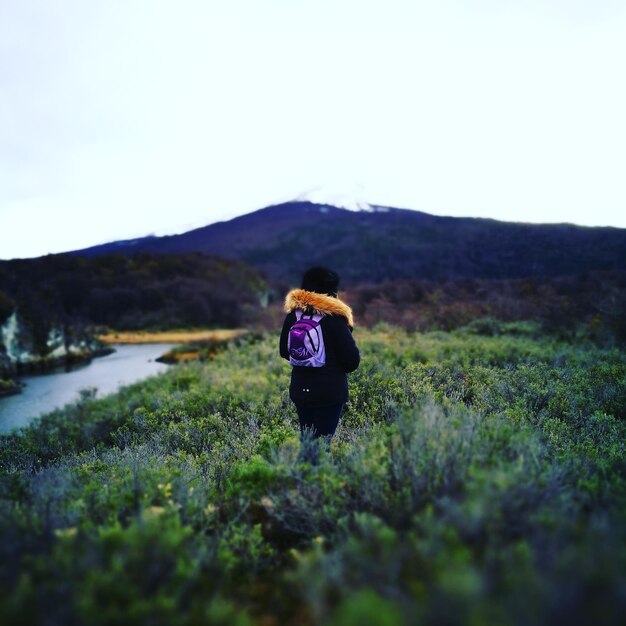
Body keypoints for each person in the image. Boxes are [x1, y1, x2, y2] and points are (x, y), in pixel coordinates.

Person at [279, 267, 360, 452]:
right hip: (329, 393)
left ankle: (301, 478)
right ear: (331, 291)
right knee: (321, 448)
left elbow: (284, 352)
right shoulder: (335, 318)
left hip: (300, 391)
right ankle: (313, 480)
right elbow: (351, 361)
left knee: (308, 445)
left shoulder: (294, 315)